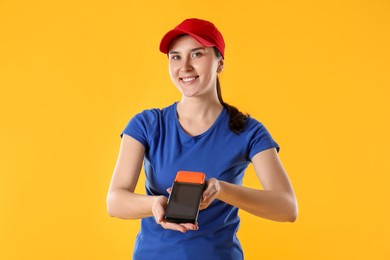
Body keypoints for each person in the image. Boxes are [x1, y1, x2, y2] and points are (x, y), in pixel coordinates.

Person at [106, 18, 298, 260]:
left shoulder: (249, 131)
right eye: (176, 57)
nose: (184, 67)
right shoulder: (146, 124)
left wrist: (222, 190)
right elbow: (115, 201)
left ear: (220, 63)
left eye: (196, 54)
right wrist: (155, 204)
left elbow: (287, 208)